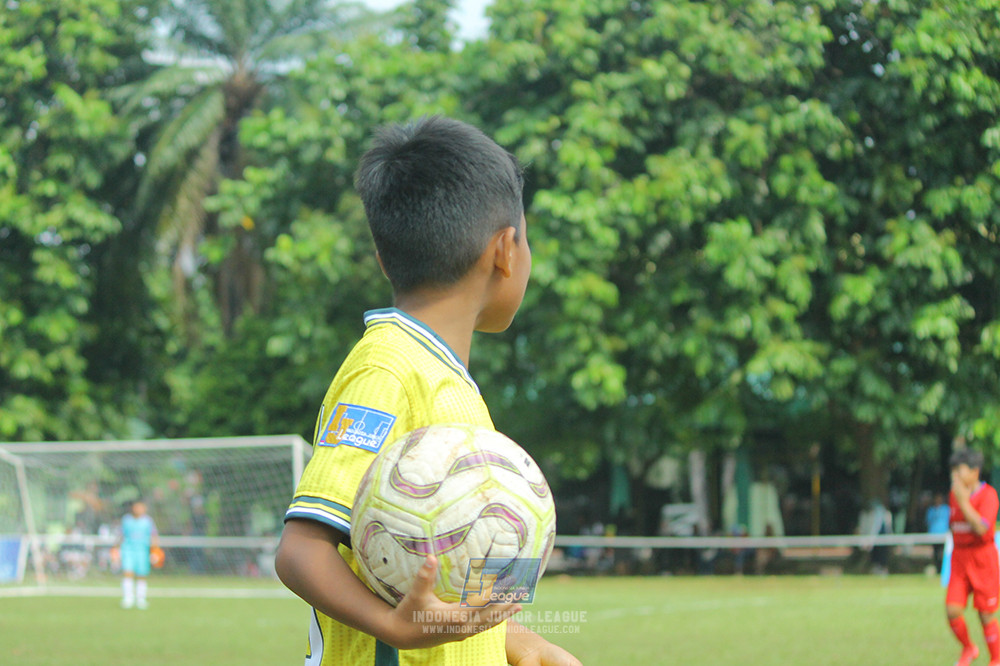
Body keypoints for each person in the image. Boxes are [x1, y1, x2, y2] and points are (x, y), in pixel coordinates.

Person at [274, 116, 580, 666]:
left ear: (383, 259)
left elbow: (436, 585)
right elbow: (301, 552)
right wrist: (392, 626)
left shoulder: (447, 384)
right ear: (506, 250)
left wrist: (518, 642)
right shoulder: (389, 369)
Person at [945, 448, 1000, 666]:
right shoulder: (953, 495)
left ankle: (996, 659)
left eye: (960, 470)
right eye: (953, 471)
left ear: (975, 471)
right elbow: (954, 526)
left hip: (982, 559)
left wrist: (964, 501)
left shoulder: (988, 496)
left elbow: (981, 529)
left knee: (985, 614)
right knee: (952, 609)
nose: (955, 476)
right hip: (960, 558)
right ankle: (969, 648)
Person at [118, 500, 159, 610]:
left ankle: (141, 598)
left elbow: (153, 536)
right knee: (128, 572)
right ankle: (128, 598)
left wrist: (155, 551)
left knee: (141, 574)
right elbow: (121, 535)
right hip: (128, 550)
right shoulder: (126, 520)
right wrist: (116, 549)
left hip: (142, 551)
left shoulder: (148, 521)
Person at [926, 492, 951, 573]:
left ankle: (942, 570)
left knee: (943, 553)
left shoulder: (946, 509)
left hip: (943, 535)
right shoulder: (931, 510)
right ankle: (937, 569)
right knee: (936, 553)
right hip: (933, 535)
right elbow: (928, 521)